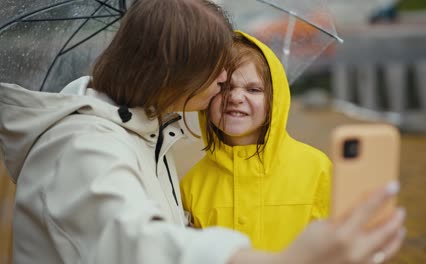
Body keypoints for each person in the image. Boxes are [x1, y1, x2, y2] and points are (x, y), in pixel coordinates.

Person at [0, 0, 405, 263]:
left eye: (248, 85)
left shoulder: (146, 137)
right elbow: (141, 245)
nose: (225, 82)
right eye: (218, 71)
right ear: (173, 71)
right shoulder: (81, 149)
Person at [181, 31, 331, 251]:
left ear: (274, 100)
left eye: (253, 89)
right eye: (224, 87)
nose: (235, 97)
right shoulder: (192, 185)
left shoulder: (317, 169)